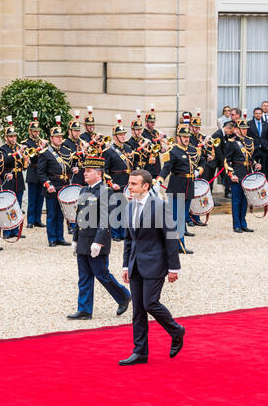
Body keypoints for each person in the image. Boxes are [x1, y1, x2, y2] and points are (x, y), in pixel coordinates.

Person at [119, 169, 185, 365]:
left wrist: (174, 268)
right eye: (129, 183)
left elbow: (171, 237)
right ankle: (140, 352)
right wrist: (125, 265)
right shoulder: (129, 207)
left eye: (133, 184)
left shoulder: (159, 206)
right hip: (135, 265)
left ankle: (176, 330)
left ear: (145, 186)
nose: (129, 187)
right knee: (138, 310)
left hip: (155, 263)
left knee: (150, 304)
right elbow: (129, 239)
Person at [67, 155, 131, 320]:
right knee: (84, 276)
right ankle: (84, 310)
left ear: (99, 173)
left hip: (96, 240)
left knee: (102, 274)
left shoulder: (105, 191)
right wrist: (75, 238)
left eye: (89, 171)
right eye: (85, 171)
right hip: (83, 239)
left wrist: (98, 242)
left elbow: (106, 219)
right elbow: (79, 216)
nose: (85, 174)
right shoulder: (83, 190)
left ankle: (123, 296)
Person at [153, 124, 205, 255]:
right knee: (174, 218)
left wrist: (199, 171)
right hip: (177, 186)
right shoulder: (173, 151)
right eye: (184, 137)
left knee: (183, 217)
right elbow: (166, 168)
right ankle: (171, 245)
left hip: (189, 186)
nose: (186, 139)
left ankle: (180, 244)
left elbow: (203, 161)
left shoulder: (194, 150)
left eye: (188, 136)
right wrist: (159, 180)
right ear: (178, 137)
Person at [37, 123, 73, 247]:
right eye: (56, 137)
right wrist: (48, 185)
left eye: (60, 137)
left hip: (63, 186)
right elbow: (41, 172)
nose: (59, 139)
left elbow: (68, 166)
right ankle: (52, 239)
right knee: (52, 214)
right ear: (51, 138)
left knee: (61, 214)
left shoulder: (65, 151)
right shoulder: (45, 153)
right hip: (52, 187)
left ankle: (60, 237)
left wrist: (73, 170)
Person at [224, 118, 261, 233]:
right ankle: (236, 225)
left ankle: (243, 223)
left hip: (247, 173)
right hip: (237, 173)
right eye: (243, 129)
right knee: (236, 200)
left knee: (245, 200)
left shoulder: (250, 141)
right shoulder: (232, 142)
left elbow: (250, 157)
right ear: (237, 129)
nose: (245, 131)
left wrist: (255, 164)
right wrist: (232, 174)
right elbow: (227, 160)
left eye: (246, 129)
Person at [103, 115, 134, 241]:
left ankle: (124, 232)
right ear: (114, 136)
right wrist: (111, 183)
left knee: (125, 208)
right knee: (115, 209)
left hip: (127, 180)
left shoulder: (128, 148)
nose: (123, 136)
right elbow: (104, 170)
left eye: (123, 134)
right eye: (120, 135)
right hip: (116, 180)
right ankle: (115, 233)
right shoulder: (109, 151)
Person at [0, 117, 27, 239]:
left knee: (18, 207)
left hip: (18, 180)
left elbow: (23, 166)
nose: (13, 139)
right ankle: (7, 231)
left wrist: (26, 159)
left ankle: (16, 230)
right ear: (6, 138)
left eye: (15, 136)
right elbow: (5, 160)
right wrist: (19, 153)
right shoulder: (1, 149)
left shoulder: (17, 148)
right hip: (8, 181)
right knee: (7, 207)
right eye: (11, 136)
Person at [22, 113, 46, 229]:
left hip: (41, 171)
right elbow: (30, 157)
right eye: (34, 131)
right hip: (32, 171)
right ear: (30, 131)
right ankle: (30, 220)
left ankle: (38, 219)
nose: (37, 133)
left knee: (41, 197)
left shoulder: (41, 141)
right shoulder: (26, 142)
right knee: (32, 198)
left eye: (38, 131)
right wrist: (40, 148)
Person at [210, 120, 237, 199]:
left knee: (227, 175)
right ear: (227, 128)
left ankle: (227, 192)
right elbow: (217, 150)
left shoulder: (225, 135)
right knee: (211, 179)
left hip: (221, 159)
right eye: (231, 131)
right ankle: (209, 198)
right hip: (214, 160)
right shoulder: (217, 134)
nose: (231, 133)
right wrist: (224, 161)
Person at [142, 105, 165, 179]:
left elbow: (160, 149)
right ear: (146, 123)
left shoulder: (156, 133)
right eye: (151, 122)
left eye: (154, 122)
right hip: (148, 166)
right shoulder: (143, 134)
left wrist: (165, 149)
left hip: (157, 166)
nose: (153, 124)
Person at [247, 107, 268, 177]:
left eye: (259, 113)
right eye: (256, 113)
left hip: (264, 149)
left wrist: (267, 145)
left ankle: (262, 185)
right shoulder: (249, 123)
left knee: (263, 169)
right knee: (253, 168)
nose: (258, 115)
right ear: (254, 114)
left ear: (262, 114)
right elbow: (248, 136)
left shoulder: (266, 124)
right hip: (254, 149)